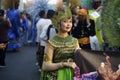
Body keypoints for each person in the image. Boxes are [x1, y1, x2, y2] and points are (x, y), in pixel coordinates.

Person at [40, 3, 81, 80]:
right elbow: (45, 66)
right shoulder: (51, 43)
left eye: (70, 21)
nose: (68, 24)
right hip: (57, 76)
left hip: (71, 76)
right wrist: (64, 64)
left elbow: (80, 58)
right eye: (65, 21)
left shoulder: (75, 41)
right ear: (58, 22)